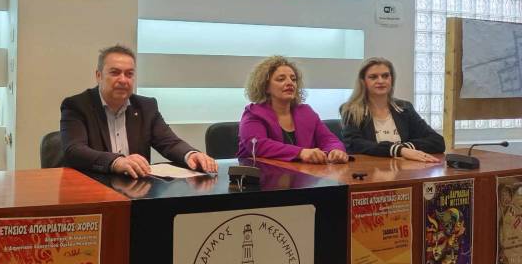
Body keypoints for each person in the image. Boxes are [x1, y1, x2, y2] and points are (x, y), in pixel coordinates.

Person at [60, 45, 217, 178]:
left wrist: (190, 154)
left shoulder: (146, 106)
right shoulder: (77, 105)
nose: (123, 80)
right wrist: (116, 162)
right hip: (94, 188)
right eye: (115, 72)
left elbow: (169, 142)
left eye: (129, 74)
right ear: (99, 76)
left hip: (136, 190)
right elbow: (74, 151)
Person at [238, 55, 348, 164]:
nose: (290, 83)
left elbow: (329, 139)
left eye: (293, 79)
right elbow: (258, 145)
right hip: (262, 173)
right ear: (265, 87)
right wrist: (300, 152)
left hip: (302, 173)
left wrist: (335, 150)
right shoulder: (253, 114)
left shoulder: (306, 112)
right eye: (281, 79)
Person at [340, 57, 443, 160]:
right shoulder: (351, 110)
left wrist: (405, 148)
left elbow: (437, 141)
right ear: (363, 81)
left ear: (392, 79)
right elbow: (354, 145)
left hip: (404, 168)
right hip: (369, 168)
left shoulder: (405, 108)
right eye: (373, 77)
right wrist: (398, 150)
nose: (381, 81)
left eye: (385, 76)